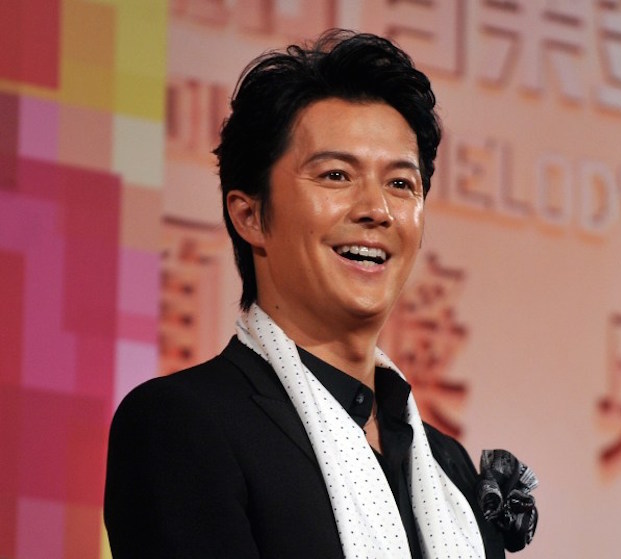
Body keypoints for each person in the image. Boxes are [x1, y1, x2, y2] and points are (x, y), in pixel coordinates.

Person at [104, 29, 536, 558]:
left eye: (401, 184)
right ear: (251, 215)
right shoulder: (183, 426)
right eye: (336, 175)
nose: (376, 209)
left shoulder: (447, 466)